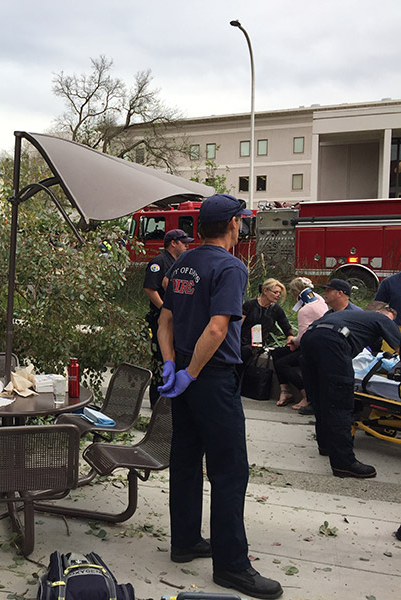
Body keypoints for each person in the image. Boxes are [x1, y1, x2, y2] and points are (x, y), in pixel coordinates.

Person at [157, 193, 283, 600]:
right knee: (230, 471)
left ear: (198, 229)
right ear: (233, 225)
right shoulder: (231, 266)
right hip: (210, 377)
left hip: (186, 374)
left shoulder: (183, 263)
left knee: (187, 460)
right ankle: (231, 567)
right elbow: (216, 329)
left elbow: (166, 320)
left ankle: (186, 541)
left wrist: (171, 364)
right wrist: (191, 373)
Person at [299, 303, 400, 477]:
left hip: (311, 337)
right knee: (340, 402)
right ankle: (343, 463)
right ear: (379, 313)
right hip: (334, 341)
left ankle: (326, 445)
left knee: (321, 396)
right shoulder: (381, 318)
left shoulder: (347, 317)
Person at [143, 228, 193, 405]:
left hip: (177, 319)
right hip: (160, 318)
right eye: (183, 242)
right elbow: (150, 288)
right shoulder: (159, 262)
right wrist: (165, 309)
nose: (187, 245)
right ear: (173, 243)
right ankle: (156, 400)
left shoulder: (180, 262)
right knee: (160, 357)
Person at [271, 277, 328, 411]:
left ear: (294, 292)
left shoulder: (305, 310)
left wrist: (293, 341)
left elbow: (302, 339)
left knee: (281, 363)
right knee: (276, 353)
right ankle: (285, 391)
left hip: (311, 348)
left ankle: (306, 394)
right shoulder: (319, 299)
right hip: (318, 342)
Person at [239, 278, 294, 376]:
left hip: (256, 345)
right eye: (275, 292)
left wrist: (290, 339)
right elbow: (238, 325)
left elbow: (286, 327)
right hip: (241, 340)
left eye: (279, 293)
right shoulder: (250, 305)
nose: (278, 295)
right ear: (265, 291)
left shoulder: (276, 309)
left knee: (245, 352)